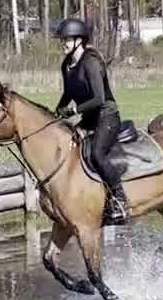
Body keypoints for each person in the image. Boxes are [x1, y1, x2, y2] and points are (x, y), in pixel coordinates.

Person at [51, 17, 128, 225]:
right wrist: (57, 112)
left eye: (67, 39)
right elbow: (68, 93)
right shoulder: (67, 65)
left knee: (96, 153)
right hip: (89, 118)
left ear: (79, 40)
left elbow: (99, 99)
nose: (63, 43)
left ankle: (120, 199)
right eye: (62, 39)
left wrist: (75, 110)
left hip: (106, 116)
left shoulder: (91, 62)